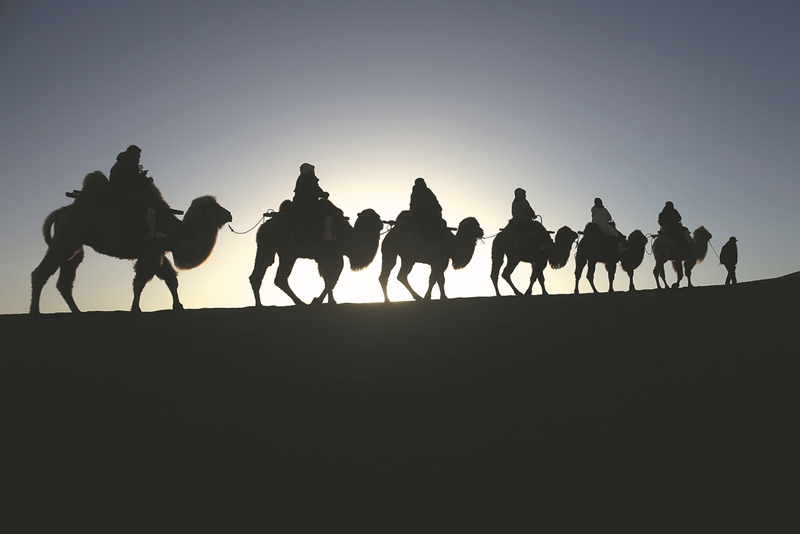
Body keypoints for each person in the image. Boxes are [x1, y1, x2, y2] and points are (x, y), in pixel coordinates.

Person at [108, 145, 165, 240]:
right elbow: (134, 179)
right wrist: (148, 180)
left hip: (116, 189)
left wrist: (140, 174)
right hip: (125, 190)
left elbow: (128, 175)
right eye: (139, 154)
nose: (139, 157)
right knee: (152, 204)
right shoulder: (130, 160)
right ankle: (151, 231)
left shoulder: (120, 161)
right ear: (135, 152)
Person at [292, 163, 335, 241]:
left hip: (298, 203)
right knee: (327, 211)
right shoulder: (309, 177)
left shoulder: (301, 178)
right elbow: (316, 190)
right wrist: (324, 194)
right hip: (308, 203)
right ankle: (327, 233)